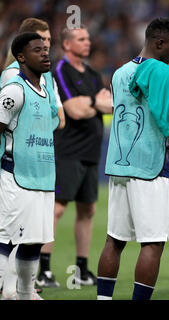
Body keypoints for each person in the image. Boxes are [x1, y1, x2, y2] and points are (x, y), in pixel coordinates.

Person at [96, 18, 169, 300]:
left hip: (119, 166)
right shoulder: (167, 75)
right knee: (153, 244)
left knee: (114, 239)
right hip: (152, 168)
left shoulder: (120, 72)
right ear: (159, 43)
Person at [37, 26, 112, 287]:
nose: (87, 42)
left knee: (88, 210)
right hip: (67, 151)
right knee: (57, 208)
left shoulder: (92, 74)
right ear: (67, 44)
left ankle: (81, 269)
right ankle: (43, 269)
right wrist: (94, 103)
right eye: (81, 39)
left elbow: (108, 104)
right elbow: (74, 110)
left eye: (88, 38)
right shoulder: (59, 70)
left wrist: (88, 103)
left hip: (91, 152)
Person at [0, 17, 65, 300]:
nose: (45, 52)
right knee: (6, 237)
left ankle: (26, 292)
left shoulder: (44, 90)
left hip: (43, 175)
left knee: (35, 238)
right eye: (37, 49)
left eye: (46, 48)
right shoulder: (14, 88)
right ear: (21, 57)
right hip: (16, 174)